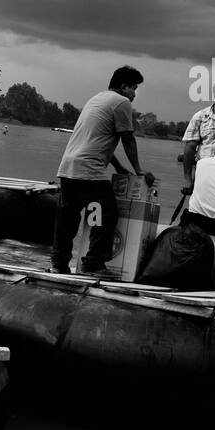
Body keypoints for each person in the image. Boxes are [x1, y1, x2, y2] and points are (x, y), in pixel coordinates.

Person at [49, 65, 155, 274]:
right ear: (123, 86)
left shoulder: (96, 99)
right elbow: (128, 138)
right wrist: (139, 170)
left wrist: (118, 166)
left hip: (70, 166)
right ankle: (93, 262)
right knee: (106, 213)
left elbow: (98, 140)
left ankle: (59, 263)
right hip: (89, 170)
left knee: (69, 217)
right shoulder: (121, 102)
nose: (134, 94)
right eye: (133, 88)